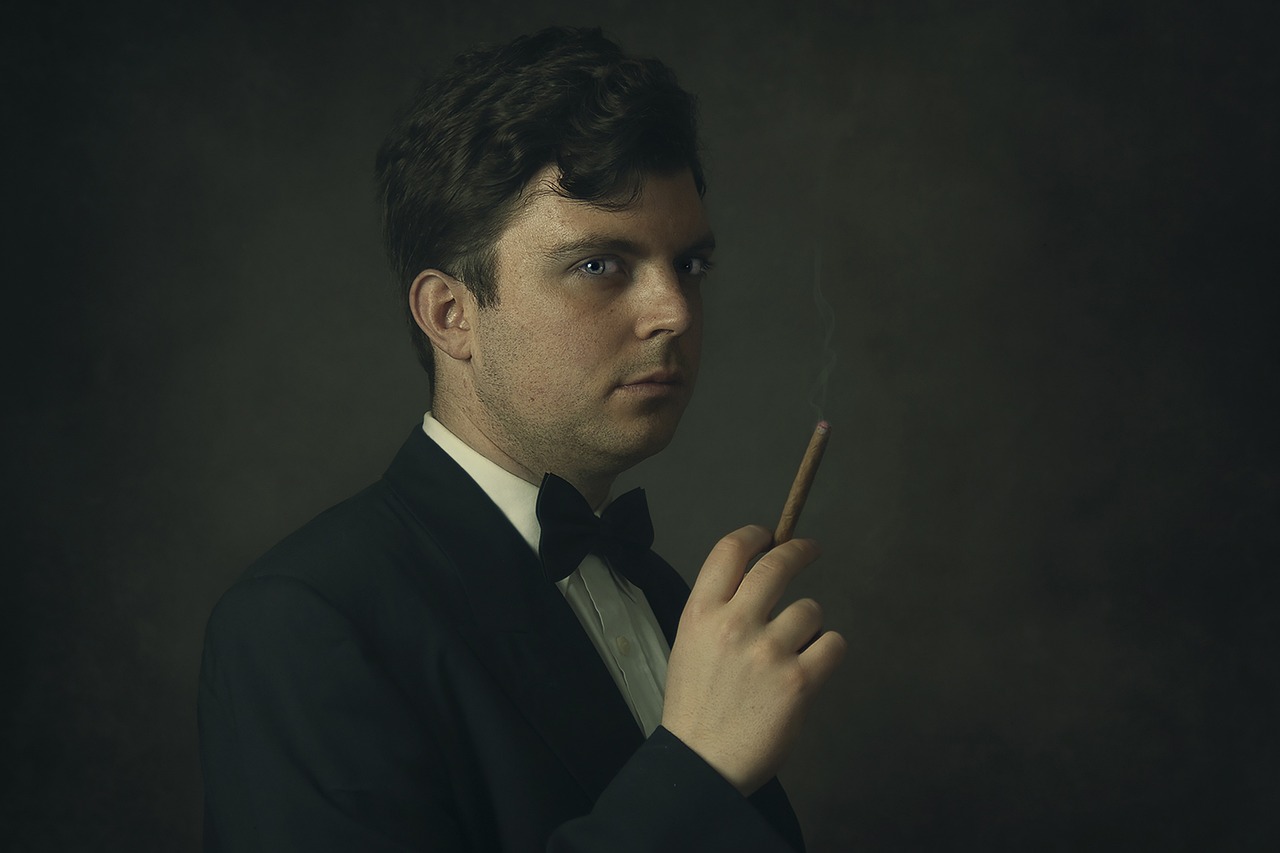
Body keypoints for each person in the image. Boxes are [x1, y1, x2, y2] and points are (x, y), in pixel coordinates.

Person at [198, 26, 845, 852]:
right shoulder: (301, 623)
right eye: (598, 265)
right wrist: (698, 767)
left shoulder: (661, 593)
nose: (674, 311)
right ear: (450, 314)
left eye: (689, 265)